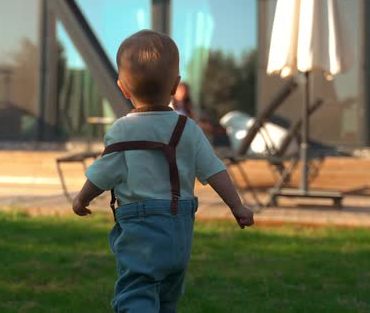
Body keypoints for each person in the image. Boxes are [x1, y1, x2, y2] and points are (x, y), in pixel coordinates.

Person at [72, 30, 254, 313]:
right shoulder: (187, 128)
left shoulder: (123, 129)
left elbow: (102, 173)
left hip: (142, 231)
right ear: (175, 86)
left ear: (123, 88)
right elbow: (215, 170)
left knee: (137, 294)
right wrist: (237, 206)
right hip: (180, 232)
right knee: (168, 298)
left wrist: (81, 199)